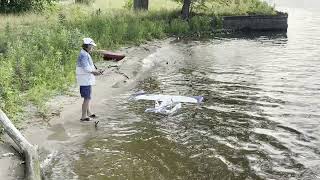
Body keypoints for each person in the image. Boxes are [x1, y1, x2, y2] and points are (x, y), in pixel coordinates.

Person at [76, 38, 102, 121]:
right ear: (88, 46)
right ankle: (83, 116)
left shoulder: (85, 53)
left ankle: (89, 113)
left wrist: (96, 71)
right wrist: (95, 72)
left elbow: (89, 67)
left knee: (88, 97)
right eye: (92, 46)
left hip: (86, 79)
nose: (92, 48)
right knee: (87, 98)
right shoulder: (83, 55)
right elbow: (86, 68)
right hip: (84, 80)